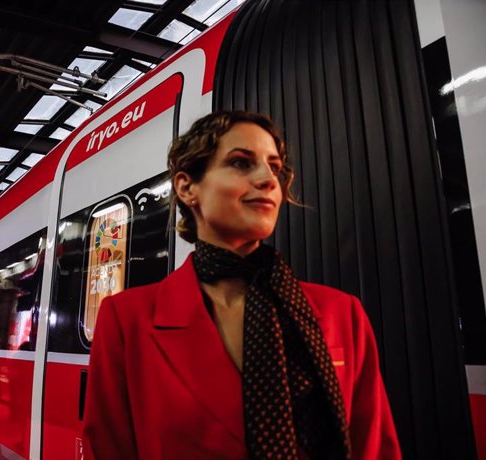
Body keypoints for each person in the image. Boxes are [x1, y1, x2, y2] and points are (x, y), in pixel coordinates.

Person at [82, 111, 401, 459]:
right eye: (240, 162)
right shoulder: (127, 321)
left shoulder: (342, 314)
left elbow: (374, 445)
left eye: (275, 168)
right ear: (187, 187)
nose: (268, 179)